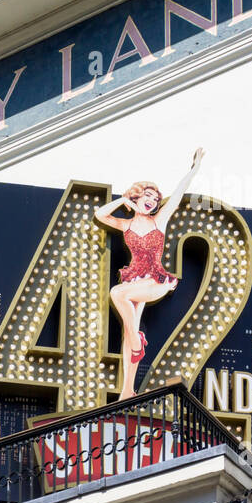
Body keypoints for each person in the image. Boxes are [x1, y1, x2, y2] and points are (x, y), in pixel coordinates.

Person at [94, 148, 205, 398]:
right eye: (147, 196)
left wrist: (194, 168)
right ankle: (127, 391)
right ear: (137, 197)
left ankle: (136, 340)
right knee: (127, 327)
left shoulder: (160, 221)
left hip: (155, 280)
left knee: (117, 293)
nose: (152, 201)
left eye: (155, 199)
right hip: (135, 279)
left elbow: (178, 195)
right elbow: (100, 214)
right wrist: (124, 200)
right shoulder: (125, 224)